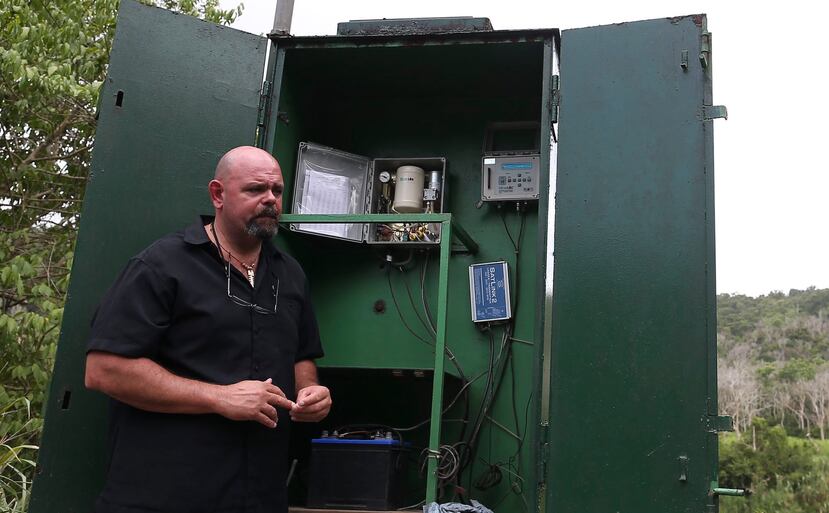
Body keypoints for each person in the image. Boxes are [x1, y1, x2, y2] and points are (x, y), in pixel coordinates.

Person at [84, 146, 332, 513]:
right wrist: (219, 397)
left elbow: (302, 355)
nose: (270, 200)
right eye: (254, 190)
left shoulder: (290, 273)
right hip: (164, 497)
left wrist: (310, 390)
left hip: (260, 497)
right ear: (218, 194)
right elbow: (104, 370)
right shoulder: (162, 264)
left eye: (277, 191)